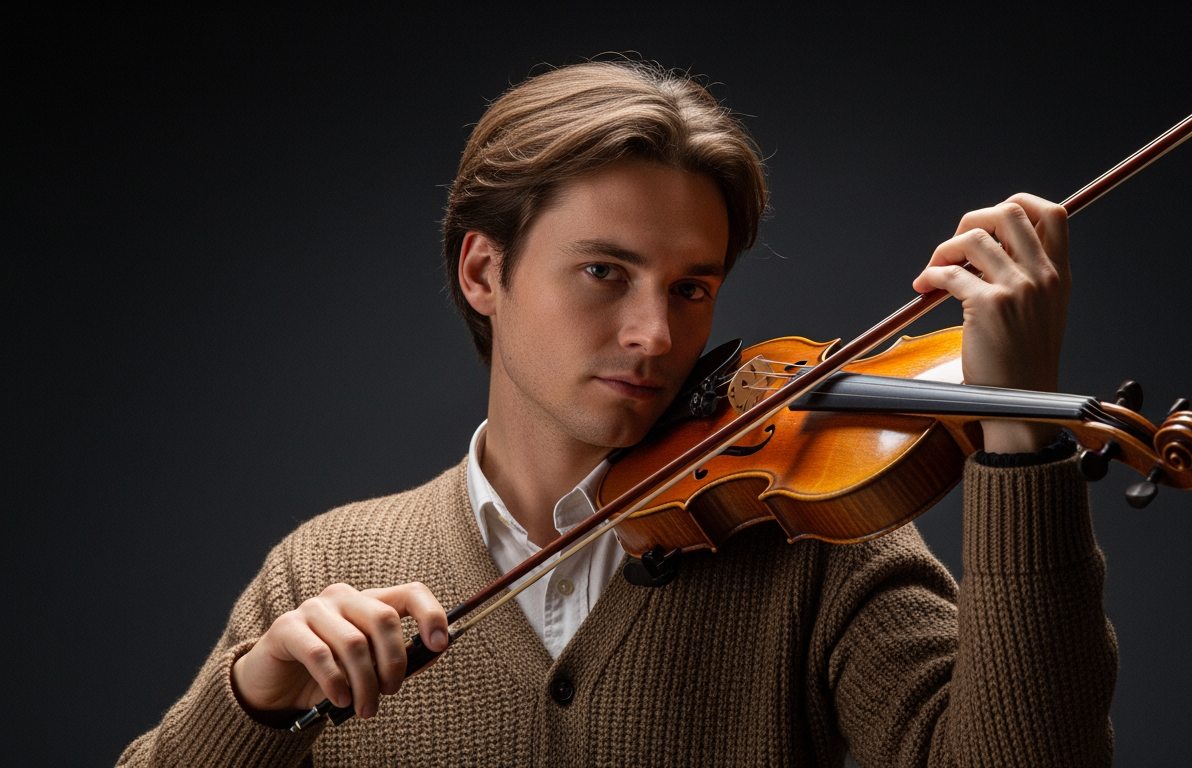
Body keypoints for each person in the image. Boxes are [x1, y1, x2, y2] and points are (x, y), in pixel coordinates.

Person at [119, 60, 1116, 767]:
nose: (655, 333)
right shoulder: (326, 567)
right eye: (605, 271)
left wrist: (1018, 428)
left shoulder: (818, 543)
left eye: (692, 287)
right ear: (484, 272)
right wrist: (256, 698)